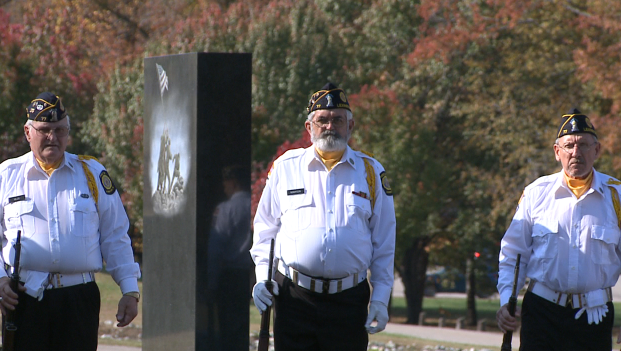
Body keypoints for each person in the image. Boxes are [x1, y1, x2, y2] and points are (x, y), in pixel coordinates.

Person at [250, 82, 396, 350]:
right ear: (309, 128)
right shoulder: (285, 168)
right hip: (294, 300)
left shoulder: (371, 172)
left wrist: (380, 299)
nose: (330, 127)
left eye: (338, 120)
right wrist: (262, 278)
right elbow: (265, 231)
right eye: (322, 120)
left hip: (348, 302)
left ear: (350, 126)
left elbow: (384, 243)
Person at [0, 92, 141, 350]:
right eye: (44, 130)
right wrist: (0, 279)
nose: (53, 137)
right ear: (28, 132)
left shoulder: (92, 173)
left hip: (78, 299)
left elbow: (115, 235)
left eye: (60, 130)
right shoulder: (7, 176)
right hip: (25, 300)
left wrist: (129, 290)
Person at [496, 108, 621, 350]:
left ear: (597, 150)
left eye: (584, 145)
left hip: (594, 316)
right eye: (569, 145)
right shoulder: (537, 193)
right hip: (542, 314)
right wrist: (505, 302)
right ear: (557, 152)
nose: (576, 152)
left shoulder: (616, 196)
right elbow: (513, 253)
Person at [206, 165, 253, 350]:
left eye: (226, 182)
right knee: (242, 325)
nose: (224, 187)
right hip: (247, 275)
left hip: (229, 276)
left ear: (233, 182)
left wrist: (211, 283)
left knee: (226, 329)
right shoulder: (255, 204)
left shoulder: (225, 209)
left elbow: (215, 248)